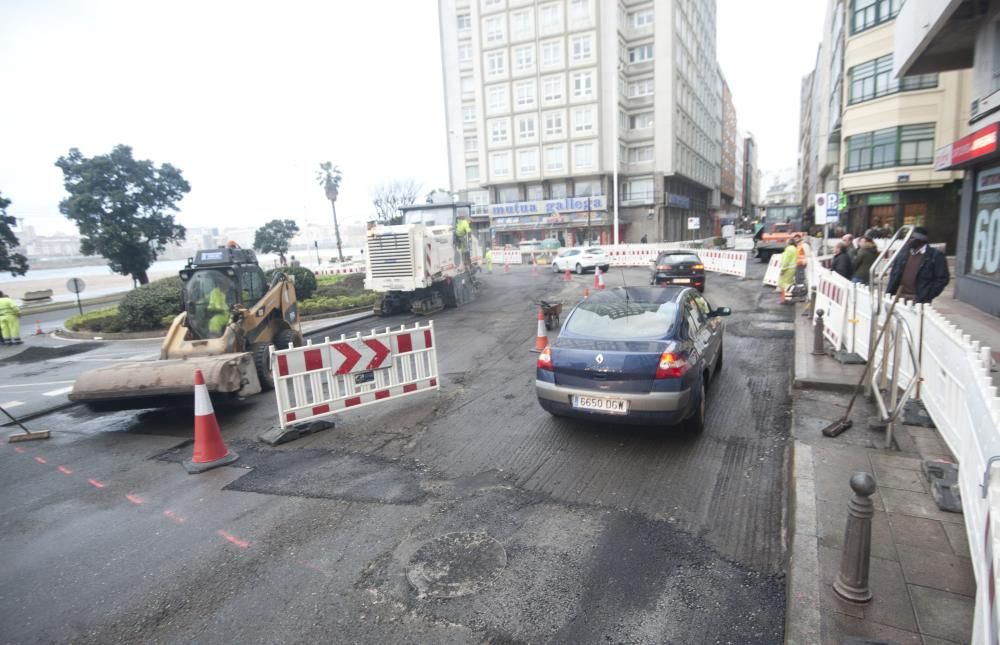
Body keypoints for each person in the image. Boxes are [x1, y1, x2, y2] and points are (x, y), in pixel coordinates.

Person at [886, 226, 950, 304]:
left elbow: (942, 278)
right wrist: (889, 292)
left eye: (911, 238)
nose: (908, 241)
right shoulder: (903, 253)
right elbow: (894, 273)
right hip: (899, 295)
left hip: (919, 298)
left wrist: (928, 295)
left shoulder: (935, 256)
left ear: (921, 240)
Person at [777, 236, 799, 304]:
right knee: (788, 283)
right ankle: (788, 299)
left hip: (788, 269)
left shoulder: (788, 249)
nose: (785, 243)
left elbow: (786, 261)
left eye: (786, 241)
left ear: (789, 243)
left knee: (782, 283)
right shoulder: (794, 248)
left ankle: (794, 290)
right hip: (792, 268)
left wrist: (783, 269)